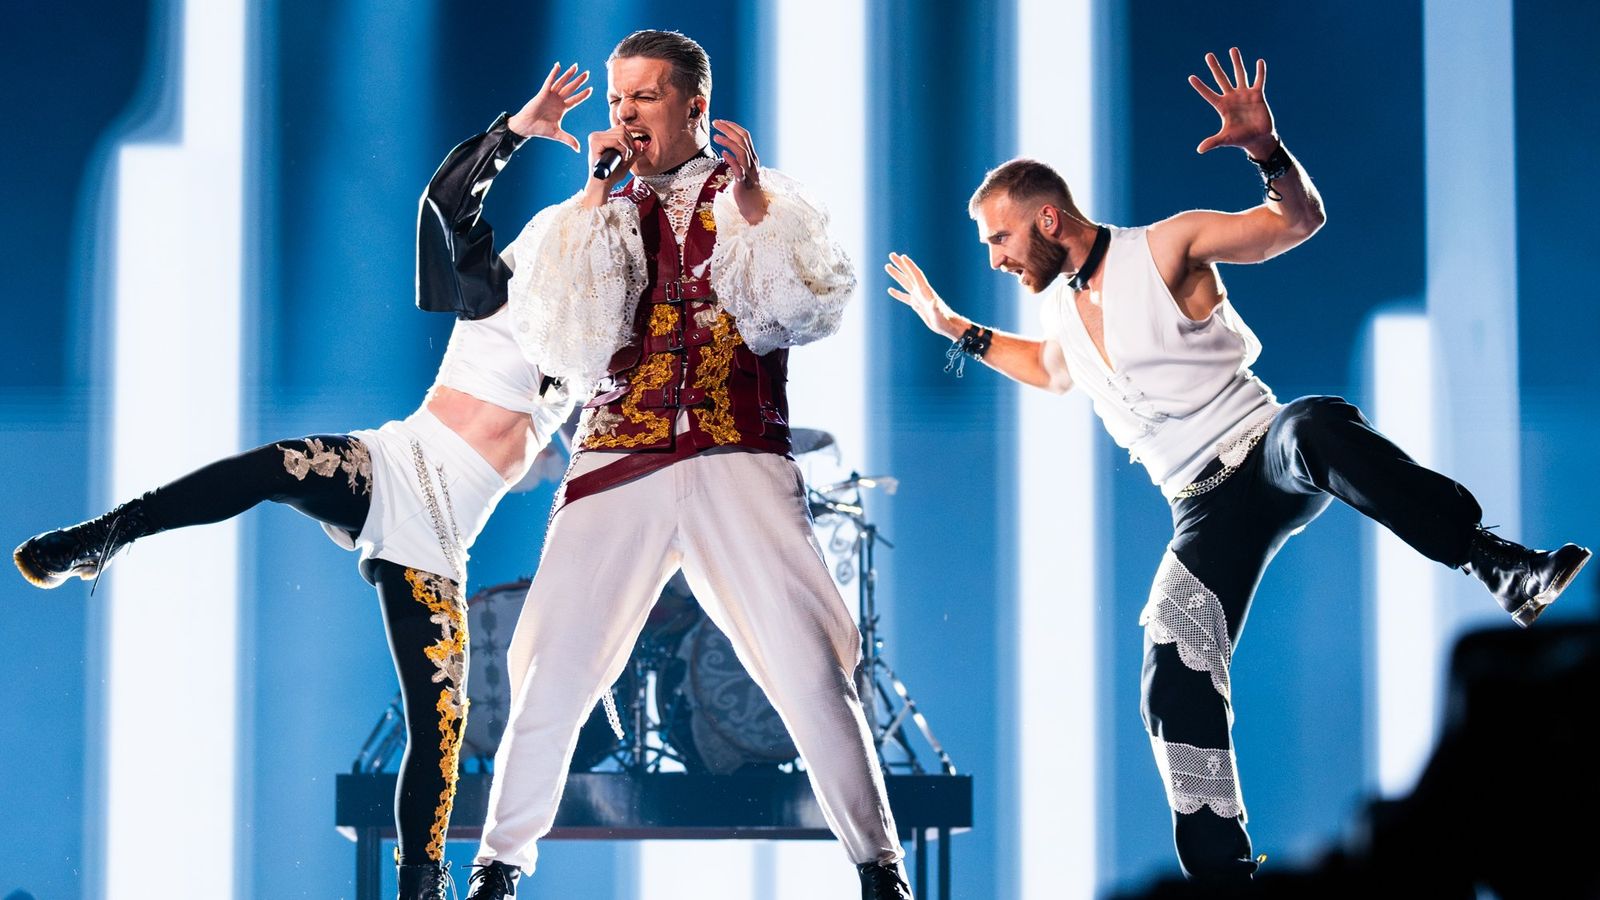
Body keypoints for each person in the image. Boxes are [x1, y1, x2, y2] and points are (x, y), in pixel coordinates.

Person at [885, 47, 1590, 885]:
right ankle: (1221, 877)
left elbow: (1296, 224)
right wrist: (955, 327)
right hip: (1201, 507)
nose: (994, 257)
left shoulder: (1167, 245)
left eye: (998, 238)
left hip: (1263, 451)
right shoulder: (1069, 322)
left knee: (1317, 426)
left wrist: (1266, 151)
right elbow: (1046, 369)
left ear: (1044, 220)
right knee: (1170, 666)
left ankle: (1502, 565)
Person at [12, 62, 592, 900]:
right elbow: (444, 204)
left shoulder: (584, 364)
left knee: (441, 726)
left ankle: (421, 884)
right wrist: (517, 131)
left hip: (440, 542)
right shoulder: (493, 294)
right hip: (395, 463)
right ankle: (104, 536)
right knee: (277, 467)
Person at [460, 29, 912, 900]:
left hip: (736, 451)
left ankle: (878, 866)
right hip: (617, 455)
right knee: (550, 659)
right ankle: (498, 866)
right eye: (617, 98)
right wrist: (596, 199)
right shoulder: (591, 211)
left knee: (810, 662)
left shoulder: (768, 201)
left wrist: (745, 206)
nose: (624, 114)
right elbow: (568, 343)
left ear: (694, 104)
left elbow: (797, 314)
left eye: (643, 97)